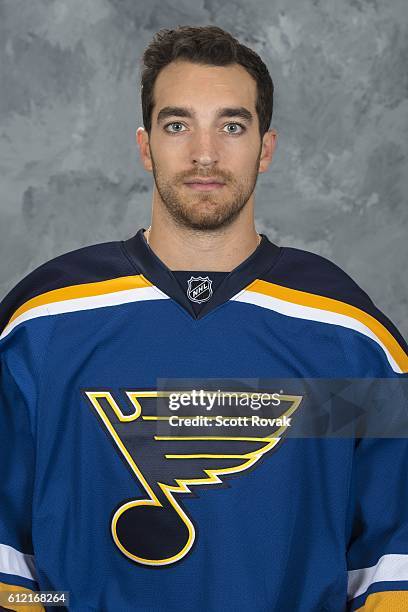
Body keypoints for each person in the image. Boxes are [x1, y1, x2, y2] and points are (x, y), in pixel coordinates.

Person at [0, 24, 407, 612]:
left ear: (266, 148)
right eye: (177, 124)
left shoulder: (348, 336)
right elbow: (9, 557)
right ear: (145, 146)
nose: (205, 153)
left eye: (232, 125)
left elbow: (388, 564)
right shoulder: (43, 323)